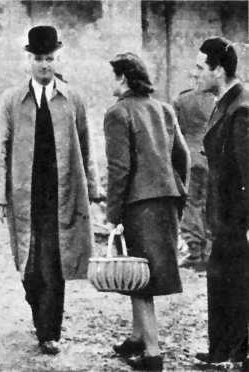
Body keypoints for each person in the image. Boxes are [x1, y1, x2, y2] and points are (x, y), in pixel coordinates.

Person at [0, 26, 103, 355]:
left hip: (61, 195)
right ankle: (38, 308)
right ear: (29, 59)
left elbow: (86, 145)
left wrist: (93, 190)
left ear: (57, 58)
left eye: (49, 59)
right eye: (38, 59)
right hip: (24, 195)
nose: (43, 65)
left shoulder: (73, 99)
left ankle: (50, 331)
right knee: (28, 264)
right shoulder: (11, 100)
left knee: (55, 261)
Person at [103, 52, 189, 371]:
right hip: (167, 199)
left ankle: (152, 354)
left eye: (114, 76)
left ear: (123, 79)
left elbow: (119, 169)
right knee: (141, 271)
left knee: (140, 277)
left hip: (139, 205)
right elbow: (183, 158)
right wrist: (178, 194)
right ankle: (137, 337)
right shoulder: (164, 109)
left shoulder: (117, 113)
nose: (111, 82)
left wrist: (113, 213)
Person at [193, 37, 249, 368]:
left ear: (219, 70)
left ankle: (235, 355)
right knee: (221, 282)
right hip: (224, 217)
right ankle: (222, 352)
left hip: (237, 219)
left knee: (236, 286)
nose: (195, 74)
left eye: (200, 68)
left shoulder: (241, 109)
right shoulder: (224, 102)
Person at [174, 79, 216, 270]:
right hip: (211, 157)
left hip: (189, 158)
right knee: (210, 202)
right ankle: (209, 250)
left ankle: (194, 250)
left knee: (191, 203)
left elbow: (174, 132)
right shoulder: (216, 100)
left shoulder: (182, 99)